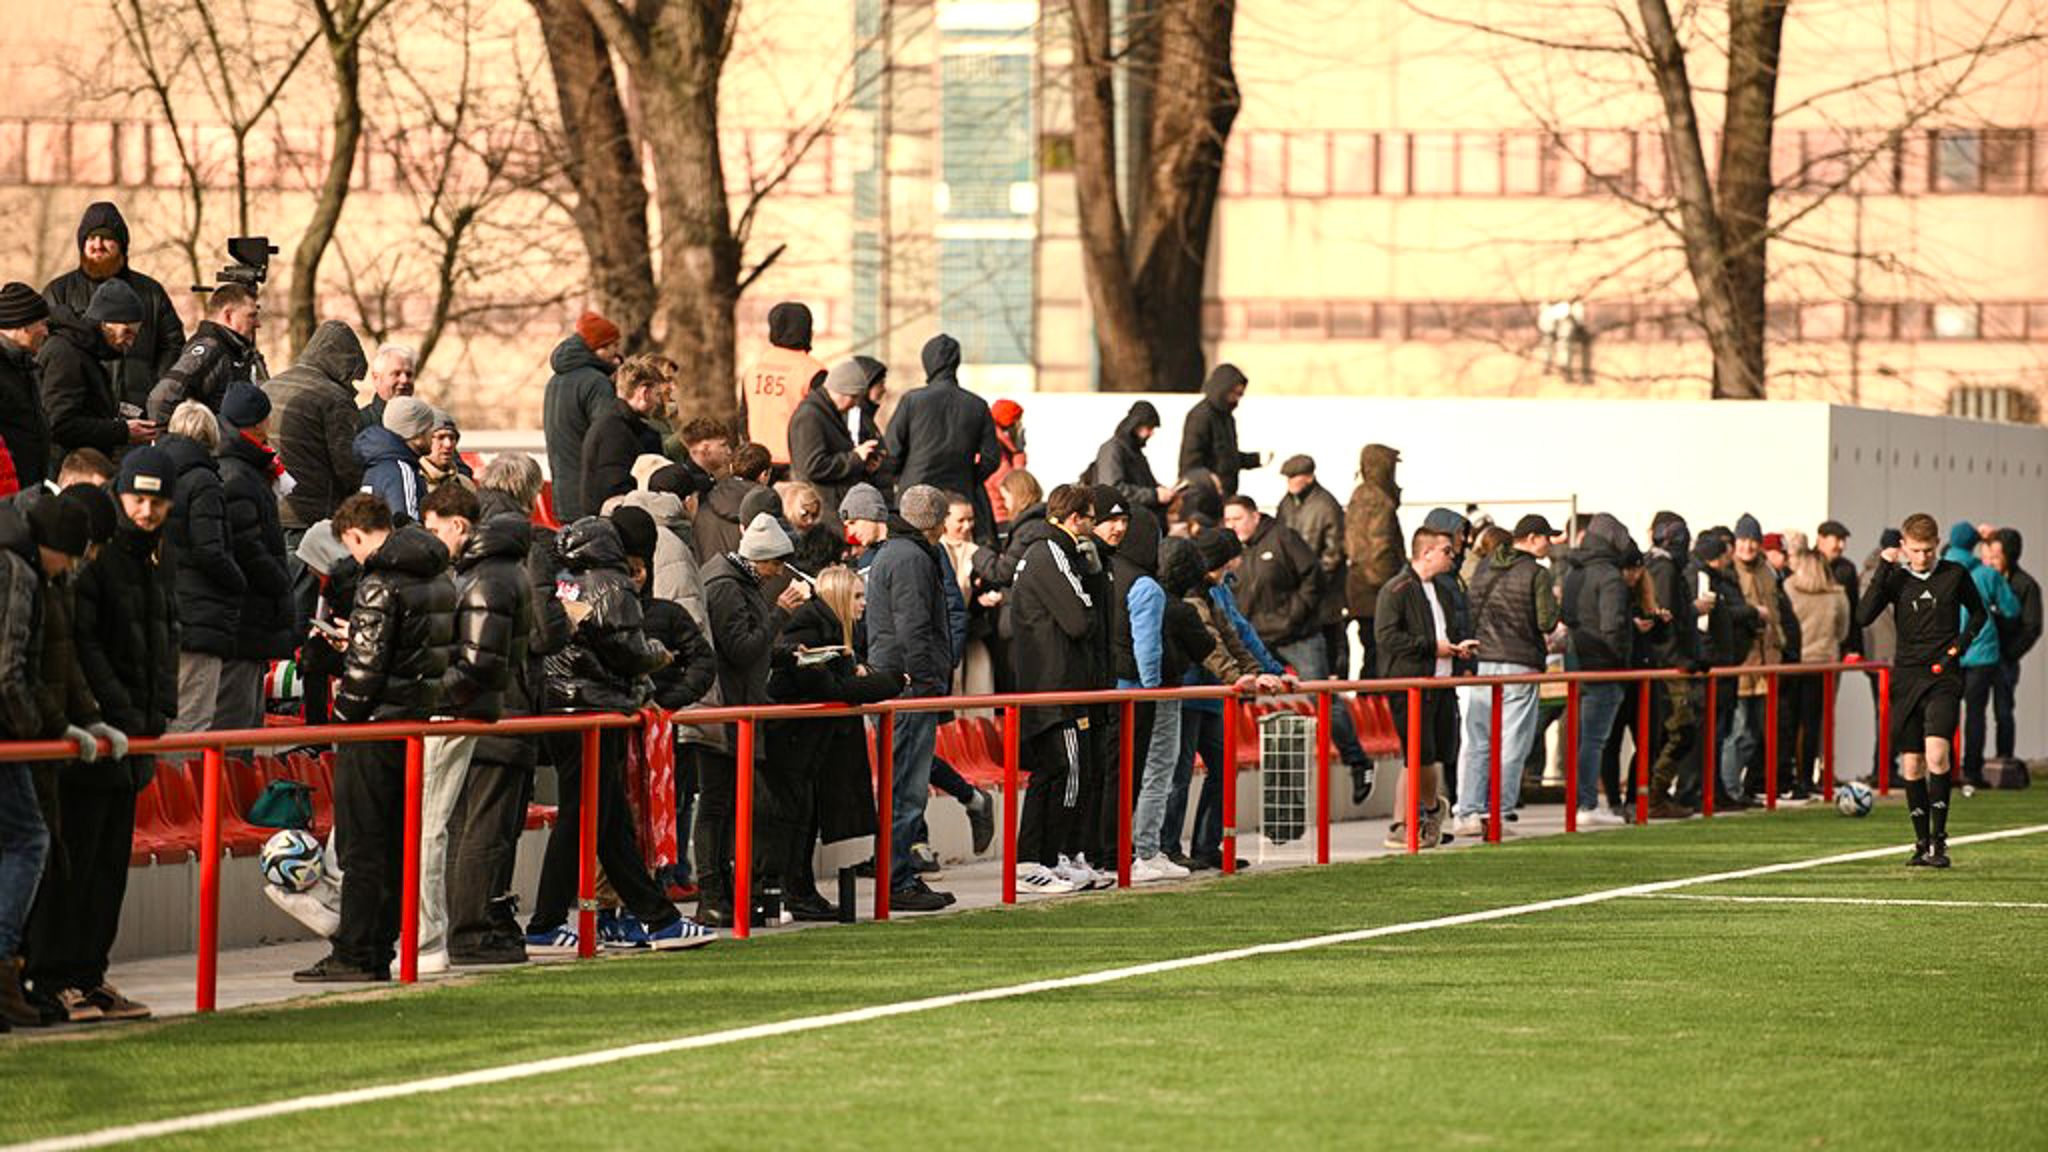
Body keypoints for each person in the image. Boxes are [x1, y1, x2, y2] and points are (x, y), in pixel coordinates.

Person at [295, 494, 458, 982]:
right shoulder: (434, 573)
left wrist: (340, 718)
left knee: (363, 847)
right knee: (392, 844)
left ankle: (356, 951)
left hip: (373, 727)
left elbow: (365, 674)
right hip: (411, 720)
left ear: (355, 535)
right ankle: (381, 944)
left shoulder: (379, 582)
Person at [528, 515, 711, 950]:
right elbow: (625, 649)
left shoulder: (562, 576)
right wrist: (658, 657)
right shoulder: (612, 582)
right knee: (585, 816)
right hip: (596, 707)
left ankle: (658, 918)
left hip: (559, 702)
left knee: (605, 821)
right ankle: (546, 922)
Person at [61, 448, 177, 1020]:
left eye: (157, 501)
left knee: (108, 870)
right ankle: (60, 978)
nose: (147, 510)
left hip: (137, 736)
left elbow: (162, 640)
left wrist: (160, 712)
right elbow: (87, 647)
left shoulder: (155, 560)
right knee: (77, 864)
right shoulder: (98, 558)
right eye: (138, 498)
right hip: (103, 735)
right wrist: (123, 711)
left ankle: (91, 975)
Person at [430, 481, 540, 967]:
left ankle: (469, 928)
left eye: (434, 528)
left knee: (473, 831)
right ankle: (470, 929)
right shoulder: (499, 575)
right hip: (497, 715)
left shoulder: (480, 577)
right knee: (480, 831)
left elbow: (478, 660)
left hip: (491, 716)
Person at [0, 493, 92, 1026]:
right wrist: (40, 731)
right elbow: (9, 669)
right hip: (11, 738)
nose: (72, 570)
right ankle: (4, 961)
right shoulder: (20, 572)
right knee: (29, 839)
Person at [767, 566, 896, 919]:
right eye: (856, 596)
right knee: (796, 819)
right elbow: (835, 689)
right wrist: (892, 681)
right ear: (838, 598)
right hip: (792, 740)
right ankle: (796, 894)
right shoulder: (810, 629)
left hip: (809, 742)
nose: (864, 603)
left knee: (805, 818)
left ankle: (802, 892)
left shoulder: (835, 630)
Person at [1858, 514, 1987, 867]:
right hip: (1907, 677)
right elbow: (1863, 616)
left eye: (1928, 550)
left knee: (1936, 756)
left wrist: (1958, 648)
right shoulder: (1896, 578)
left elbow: (1979, 614)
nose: (1923, 557)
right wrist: (1883, 569)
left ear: (1937, 544)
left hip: (1943, 676)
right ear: (1903, 546)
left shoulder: (1954, 574)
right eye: (1915, 550)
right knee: (1912, 764)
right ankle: (1920, 842)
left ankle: (1939, 842)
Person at [698, 513, 808, 925]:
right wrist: (780, 614)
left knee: (722, 806)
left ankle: (720, 892)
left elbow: (746, 646)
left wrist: (783, 652)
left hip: (728, 707)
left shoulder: (733, 581)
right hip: (722, 711)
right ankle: (712, 894)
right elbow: (742, 649)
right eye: (776, 564)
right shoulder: (727, 587)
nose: (778, 573)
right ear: (761, 559)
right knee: (716, 806)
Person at [863, 485, 957, 910]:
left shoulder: (900, 553)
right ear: (937, 522)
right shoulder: (913, 559)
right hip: (909, 686)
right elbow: (914, 627)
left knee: (903, 787)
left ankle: (897, 876)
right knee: (905, 790)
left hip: (900, 680)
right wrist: (926, 683)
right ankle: (897, 880)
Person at [1008, 484, 1100, 891]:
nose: (1095, 526)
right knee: (1068, 772)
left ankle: (1042, 859)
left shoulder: (1047, 552)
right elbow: (1080, 620)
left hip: (1048, 683)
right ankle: (1042, 858)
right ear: (1075, 518)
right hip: (1056, 685)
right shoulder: (1051, 553)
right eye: (1092, 518)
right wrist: (1092, 585)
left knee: (1053, 772)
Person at [1455, 515, 1559, 835]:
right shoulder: (1536, 573)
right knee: (1512, 742)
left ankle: (1469, 812)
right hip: (1520, 661)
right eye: (1546, 538)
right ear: (1530, 538)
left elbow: (1469, 608)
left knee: (1479, 740)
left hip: (1484, 660)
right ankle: (1498, 812)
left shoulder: (1484, 567)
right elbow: (1546, 622)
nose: (1549, 544)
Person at [1376, 523, 1473, 848]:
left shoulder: (1442, 590)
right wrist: (1433, 647)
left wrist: (1458, 651)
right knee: (1419, 755)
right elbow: (1387, 637)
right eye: (1446, 550)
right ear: (1426, 551)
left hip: (1441, 683)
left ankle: (1417, 818)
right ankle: (1414, 819)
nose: (1452, 556)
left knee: (1434, 754)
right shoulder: (1397, 589)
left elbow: (1445, 632)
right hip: (1411, 684)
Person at [41, 202, 184, 413]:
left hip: (141, 411)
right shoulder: (58, 292)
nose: (97, 244)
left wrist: (157, 390)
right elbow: (44, 350)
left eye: (107, 238)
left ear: (122, 245)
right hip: (83, 413)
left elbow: (173, 345)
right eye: (91, 238)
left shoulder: (151, 292)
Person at [159, 401, 244, 734]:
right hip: (200, 612)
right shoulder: (204, 481)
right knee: (192, 719)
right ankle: (183, 786)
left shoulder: (149, 472)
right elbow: (210, 550)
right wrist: (238, 581)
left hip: (163, 611)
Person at [215, 384, 294, 730]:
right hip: (245, 620)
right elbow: (247, 546)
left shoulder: (241, 468)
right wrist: (279, 579)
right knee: (236, 725)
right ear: (259, 424)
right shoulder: (238, 474)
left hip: (248, 620)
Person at [885, 334, 1000, 546]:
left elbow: (891, 452)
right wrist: (968, 477)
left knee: (914, 552)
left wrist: (900, 478)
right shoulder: (977, 405)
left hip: (915, 496)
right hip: (961, 495)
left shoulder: (912, 401)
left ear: (927, 362)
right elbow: (991, 458)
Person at [39, 279, 158, 471]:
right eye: (126, 332)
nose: (129, 343)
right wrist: (123, 431)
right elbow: (59, 425)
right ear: (104, 322)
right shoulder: (67, 353)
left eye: (134, 336)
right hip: (66, 471)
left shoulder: (82, 352)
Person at [1561, 513, 1633, 826]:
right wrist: (1621, 658)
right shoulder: (1610, 576)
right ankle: (1587, 804)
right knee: (1594, 741)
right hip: (1604, 667)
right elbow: (1612, 626)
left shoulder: (1573, 572)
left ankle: (1582, 802)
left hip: (1577, 663)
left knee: (1582, 739)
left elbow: (1566, 613)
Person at [1945, 520, 2020, 790]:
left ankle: (1945, 769)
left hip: (1948, 651)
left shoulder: (1938, 569)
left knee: (1946, 713)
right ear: (1974, 544)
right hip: (1981, 652)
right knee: (1976, 714)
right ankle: (1972, 771)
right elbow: (2011, 609)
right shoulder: (1987, 574)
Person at [541, 311, 623, 522]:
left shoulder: (555, 381)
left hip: (563, 493)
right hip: (591, 496)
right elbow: (607, 436)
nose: (617, 354)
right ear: (599, 347)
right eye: (614, 346)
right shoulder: (595, 382)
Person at [787, 358, 882, 534]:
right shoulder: (811, 416)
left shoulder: (826, 412)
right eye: (854, 398)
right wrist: (855, 458)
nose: (854, 405)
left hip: (828, 505)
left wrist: (863, 465)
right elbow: (811, 466)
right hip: (821, 510)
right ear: (843, 391)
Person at [146, 282, 265, 422]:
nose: (258, 324)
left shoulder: (234, 351)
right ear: (228, 316)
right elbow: (161, 400)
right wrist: (181, 439)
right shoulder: (210, 349)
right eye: (251, 316)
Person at [1726, 515, 1783, 801]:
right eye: (1743, 540)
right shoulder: (1729, 571)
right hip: (1741, 662)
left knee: (1755, 734)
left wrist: (1782, 645)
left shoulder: (1767, 571)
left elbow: (1778, 612)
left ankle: (1742, 787)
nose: (1748, 546)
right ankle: (1729, 789)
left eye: (1752, 540)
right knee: (1737, 731)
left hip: (1765, 662)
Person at [1275, 454, 1349, 679]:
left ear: (1308, 477)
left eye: (1294, 477)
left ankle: (1335, 680)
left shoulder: (1326, 505)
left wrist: (1313, 578)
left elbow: (1334, 550)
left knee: (1330, 636)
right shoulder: (1286, 503)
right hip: (1297, 586)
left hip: (1324, 588)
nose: (1289, 483)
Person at [1784, 547, 1848, 799]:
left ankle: (1789, 776)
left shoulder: (1789, 589)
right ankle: (1809, 775)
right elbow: (1842, 631)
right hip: (1824, 663)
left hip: (1795, 662)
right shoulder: (1837, 595)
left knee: (1791, 722)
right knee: (1815, 724)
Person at [738, 302, 827, 470]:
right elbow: (823, 422)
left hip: (758, 463)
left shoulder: (753, 369)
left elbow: (743, 417)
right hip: (798, 462)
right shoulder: (813, 371)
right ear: (807, 331)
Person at [581, 356, 668, 514]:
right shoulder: (615, 431)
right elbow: (616, 490)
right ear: (644, 393)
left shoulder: (615, 425)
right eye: (657, 394)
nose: (659, 402)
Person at [1345, 443, 1402, 680]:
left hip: (1365, 591)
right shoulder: (1376, 499)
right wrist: (1395, 588)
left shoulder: (1364, 495)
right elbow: (1377, 550)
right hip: (1375, 592)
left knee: (1374, 652)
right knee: (1379, 655)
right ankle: (1373, 711)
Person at [1986, 529, 2040, 769]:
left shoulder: (2026, 585)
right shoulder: (1985, 578)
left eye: (1997, 556)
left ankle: (2004, 760)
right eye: (1990, 555)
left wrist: (2009, 653)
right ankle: (1968, 764)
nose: (1991, 560)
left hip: (2004, 659)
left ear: (2010, 555)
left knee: (2003, 711)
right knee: (1973, 711)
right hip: (1979, 657)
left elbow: (2032, 627)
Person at [1177, 364, 1261, 496]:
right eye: (1235, 393)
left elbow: (1227, 457)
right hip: (1205, 494)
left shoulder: (1226, 417)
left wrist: (1255, 459)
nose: (1237, 398)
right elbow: (1190, 462)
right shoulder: (1201, 416)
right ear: (1223, 390)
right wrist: (1209, 480)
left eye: (1240, 394)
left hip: (1225, 493)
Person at [355, 395, 433, 523]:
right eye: (430, 427)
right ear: (417, 432)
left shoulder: (377, 465)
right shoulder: (401, 470)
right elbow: (407, 527)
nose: (433, 434)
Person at [1092, 401, 1175, 514]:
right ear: (1136, 425)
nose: (1151, 434)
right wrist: (1154, 495)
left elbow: (1145, 484)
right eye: (1149, 428)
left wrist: (1164, 493)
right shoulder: (1112, 449)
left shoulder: (1134, 452)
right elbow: (1112, 489)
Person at [986, 398, 1027, 526]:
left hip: (997, 515)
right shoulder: (997, 451)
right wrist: (1018, 453)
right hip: (1000, 518)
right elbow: (1016, 487)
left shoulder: (997, 445)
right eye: (1018, 422)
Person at [357, 344, 416, 431]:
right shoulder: (360, 423)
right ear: (376, 378)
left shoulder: (424, 422)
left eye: (409, 374)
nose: (404, 380)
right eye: (396, 374)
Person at [420, 409, 475, 495]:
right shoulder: (410, 480)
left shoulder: (465, 485)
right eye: (440, 437)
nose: (448, 444)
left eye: (452, 438)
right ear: (424, 439)